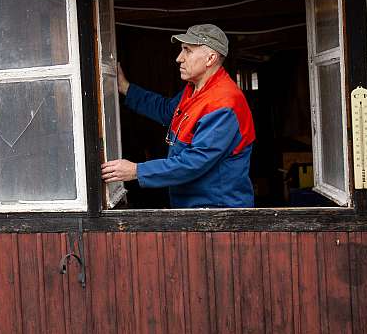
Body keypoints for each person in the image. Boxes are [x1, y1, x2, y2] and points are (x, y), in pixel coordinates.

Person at [101, 23, 255, 208]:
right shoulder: (194, 89)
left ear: (210, 58)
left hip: (218, 211)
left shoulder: (224, 103)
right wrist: (126, 88)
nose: (178, 58)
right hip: (193, 207)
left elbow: (194, 162)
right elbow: (167, 110)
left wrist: (137, 171)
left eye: (187, 50)